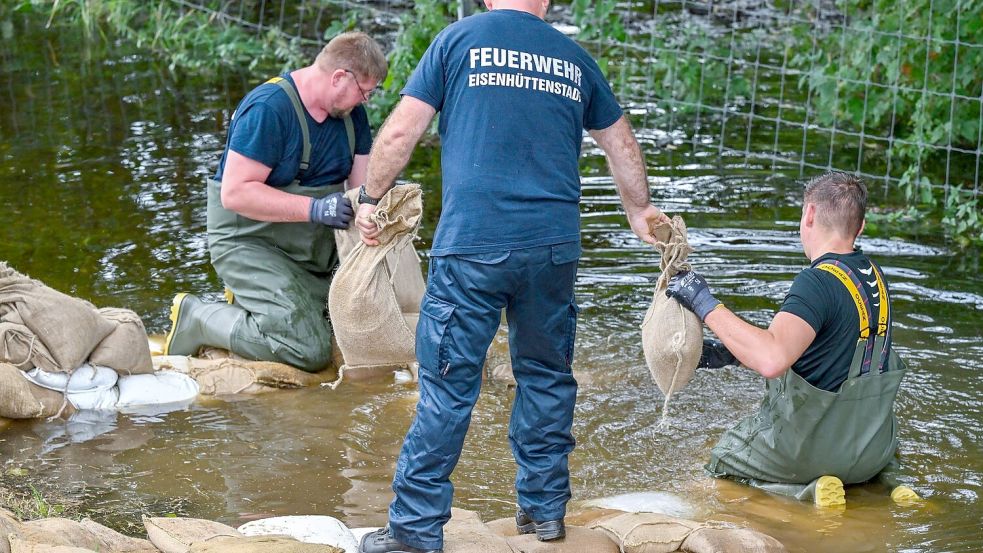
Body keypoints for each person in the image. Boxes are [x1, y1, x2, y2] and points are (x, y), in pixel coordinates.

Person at [354, 2, 668, 552]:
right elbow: (620, 142)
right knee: (546, 376)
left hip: (474, 244)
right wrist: (639, 211)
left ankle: (413, 533)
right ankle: (544, 514)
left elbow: (403, 130)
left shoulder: (457, 41)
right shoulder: (573, 57)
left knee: (448, 388)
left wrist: (369, 197)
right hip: (552, 250)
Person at [667, 171, 917, 507]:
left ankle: (810, 489)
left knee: (724, 460)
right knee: (877, 451)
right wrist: (730, 354)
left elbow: (772, 359)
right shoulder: (875, 275)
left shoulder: (816, 282)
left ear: (810, 214)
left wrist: (703, 302)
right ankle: (893, 485)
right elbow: (829, 353)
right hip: (873, 449)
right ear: (860, 226)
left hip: (814, 453)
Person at [163, 32, 387, 372]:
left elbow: (362, 188)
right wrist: (315, 209)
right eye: (364, 91)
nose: (366, 101)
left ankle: (257, 302)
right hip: (249, 242)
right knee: (308, 351)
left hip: (311, 250)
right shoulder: (269, 109)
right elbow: (235, 193)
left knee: (353, 328)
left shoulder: (350, 115)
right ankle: (199, 317)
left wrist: (375, 210)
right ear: (339, 77)